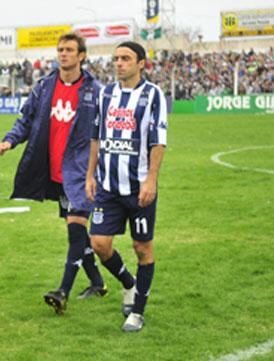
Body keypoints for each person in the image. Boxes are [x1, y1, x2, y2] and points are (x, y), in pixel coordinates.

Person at [0, 33, 107, 315]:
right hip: (57, 173)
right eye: (60, 50)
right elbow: (27, 120)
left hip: (83, 173)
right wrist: (10, 140)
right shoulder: (45, 87)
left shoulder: (96, 90)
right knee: (78, 234)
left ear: (81, 55)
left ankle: (63, 292)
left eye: (69, 50)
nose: (63, 54)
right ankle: (100, 281)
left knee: (75, 229)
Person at [85, 41, 167, 332]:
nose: (119, 63)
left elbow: (158, 141)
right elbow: (96, 137)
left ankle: (138, 312)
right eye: (116, 58)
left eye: (126, 58)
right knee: (99, 243)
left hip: (138, 187)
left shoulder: (153, 95)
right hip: (107, 186)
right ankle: (128, 284)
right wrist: (90, 175)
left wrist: (151, 180)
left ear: (141, 63)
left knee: (142, 247)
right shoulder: (105, 94)